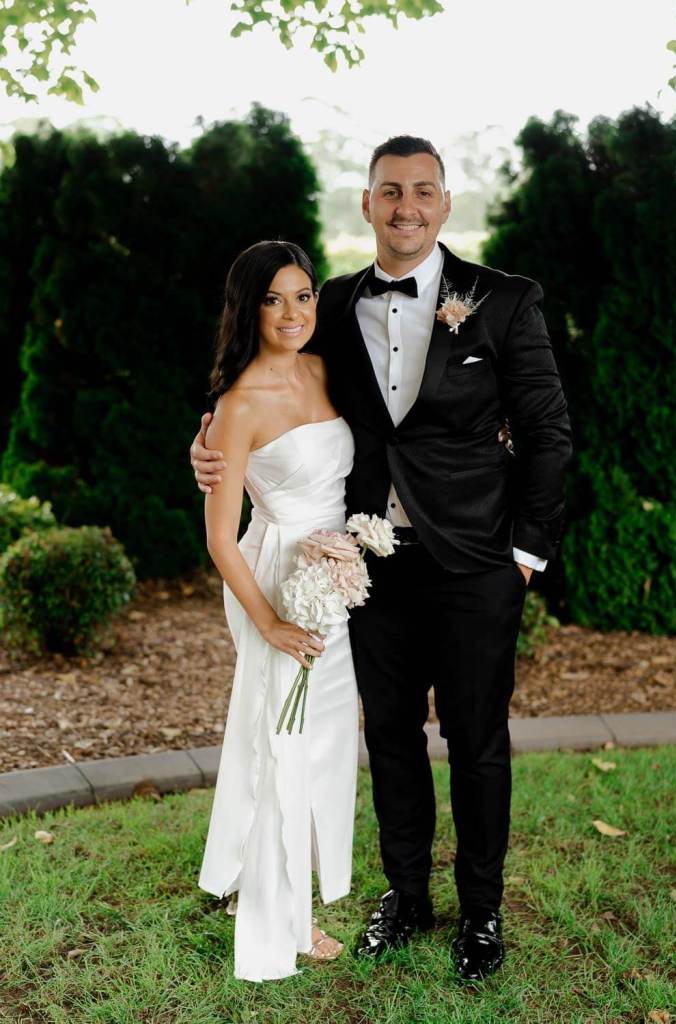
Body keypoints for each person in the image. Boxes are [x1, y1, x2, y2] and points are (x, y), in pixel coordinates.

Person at [191, 136, 573, 982]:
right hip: (367, 565)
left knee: (475, 740)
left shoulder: (504, 300)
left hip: (478, 562)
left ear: (445, 203)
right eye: (390, 191)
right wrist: (209, 447)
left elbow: (547, 431)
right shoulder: (326, 302)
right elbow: (267, 382)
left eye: (422, 191)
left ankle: (480, 912)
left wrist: (524, 553)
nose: (407, 207)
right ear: (366, 204)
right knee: (391, 738)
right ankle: (406, 896)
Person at [196, 239, 359, 982]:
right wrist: (268, 621)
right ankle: (280, 917)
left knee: (321, 739)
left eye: (302, 295)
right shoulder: (237, 406)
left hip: (336, 573)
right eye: (272, 300)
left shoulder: (324, 369)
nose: (291, 313)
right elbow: (219, 539)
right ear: (248, 309)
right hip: (273, 579)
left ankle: (262, 873)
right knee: (283, 737)